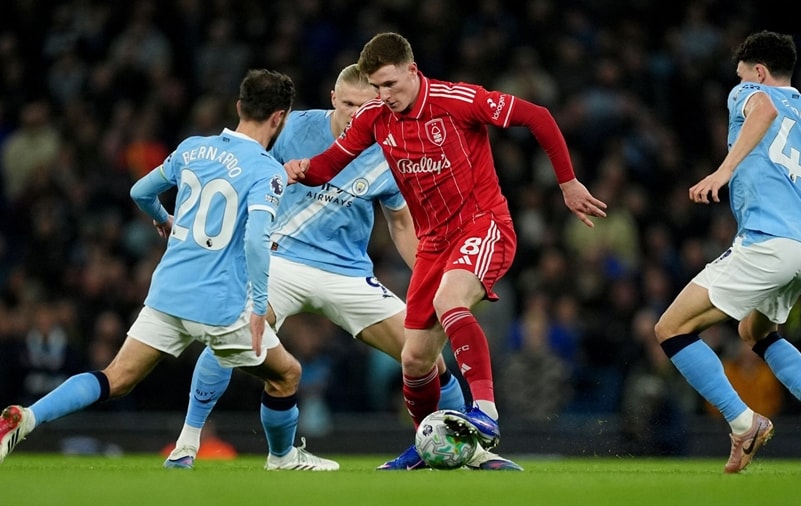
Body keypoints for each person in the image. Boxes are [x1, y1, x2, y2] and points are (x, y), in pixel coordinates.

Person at [162, 64, 521, 471]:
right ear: (333, 98)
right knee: (234, 331)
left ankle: (473, 451)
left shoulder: (390, 146)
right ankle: (187, 443)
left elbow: (401, 224)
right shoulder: (291, 129)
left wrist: (434, 279)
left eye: (364, 106)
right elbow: (245, 174)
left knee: (425, 357)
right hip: (284, 260)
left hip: (348, 273)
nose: (355, 114)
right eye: (348, 104)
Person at [285, 32, 607, 468]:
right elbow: (329, 164)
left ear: (413, 71)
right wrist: (302, 169)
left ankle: (485, 412)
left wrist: (567, 183)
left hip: (483, 225)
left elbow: (538, 116)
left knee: (448, 299)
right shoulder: (375, 117)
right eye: (377, 87)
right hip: (435, 244)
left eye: (391, 84)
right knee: (415, 359)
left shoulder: (457, 101)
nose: (384, 95)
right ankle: (426, 445)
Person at [0, 69, 340, 471]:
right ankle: (281, 458)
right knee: (287, 374)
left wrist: (164, 218)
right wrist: (259, 305)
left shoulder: (193, 148)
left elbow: (140, 191)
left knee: (116, 377)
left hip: (168, 294)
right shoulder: (266, 170)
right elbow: (254, 240)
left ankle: (30, 416)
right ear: (279, 117)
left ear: (239, 107)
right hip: (219, 304)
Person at [653, 30, 801, 474]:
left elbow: (762, 110)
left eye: (743, 74)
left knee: (671, 328)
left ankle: (743, 423)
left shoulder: (749, 94)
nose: (740, 82)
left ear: (759, 72)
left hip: (767, 243)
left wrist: (724, 171)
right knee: (755, 332)